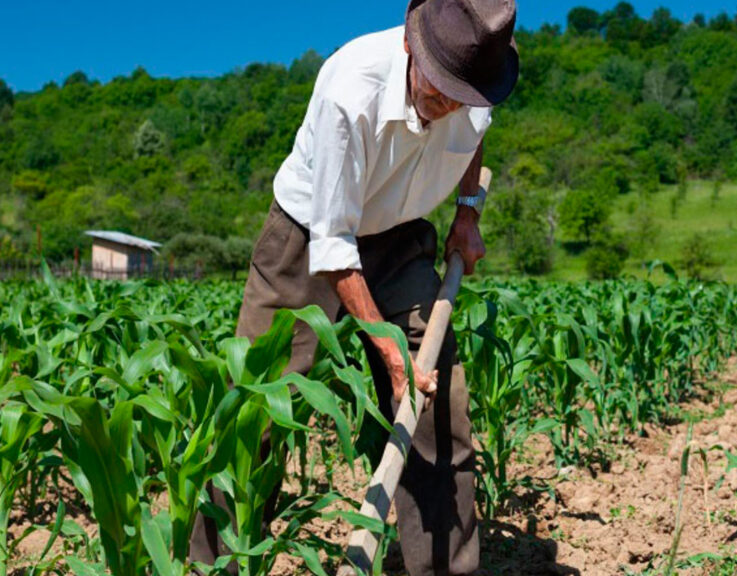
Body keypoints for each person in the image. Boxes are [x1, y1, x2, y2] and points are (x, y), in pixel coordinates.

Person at [190, 1, 519, 574]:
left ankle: (445, 568)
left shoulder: (478, 78)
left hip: (400, 233)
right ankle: (214, 566)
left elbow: (473, 139)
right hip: (309, 237)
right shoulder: (350, 89)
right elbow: (334, 247)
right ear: (412, 46)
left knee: (437, 405)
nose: (448, 106)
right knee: (256, 410)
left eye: (460, 97)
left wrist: (467, 212)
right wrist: (389, 352)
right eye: (439, 89)